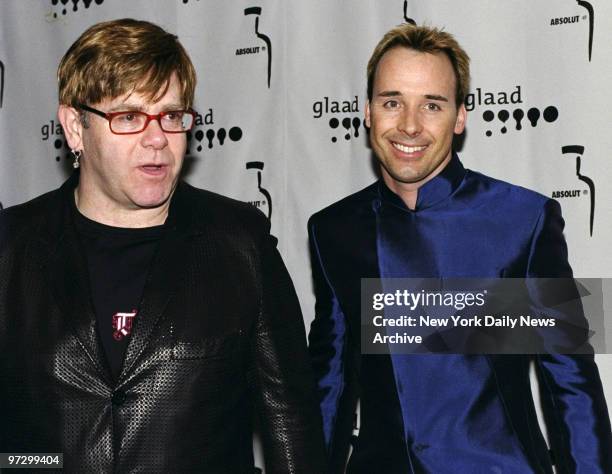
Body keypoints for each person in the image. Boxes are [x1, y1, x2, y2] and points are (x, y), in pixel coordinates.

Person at [0, 18, 326, 473]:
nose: (158, 140)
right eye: (129, 117)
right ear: (76, 128)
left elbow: (293, 427)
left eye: (172, 116)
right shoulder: (11, 248)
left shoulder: (240, 244)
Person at [307, 23, 612, 473]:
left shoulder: (521, 220)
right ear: (368, 111)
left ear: (461, 116)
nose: (409, 125)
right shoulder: (333, 229)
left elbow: (569, 379)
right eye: (392, 102)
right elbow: (328, 386)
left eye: (432, 105)